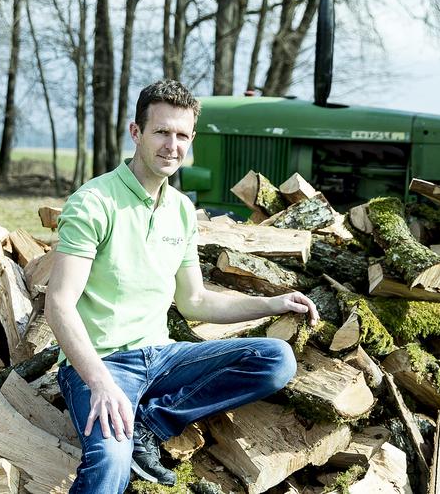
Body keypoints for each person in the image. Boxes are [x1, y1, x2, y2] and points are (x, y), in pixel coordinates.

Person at [45, 80, 319, 493]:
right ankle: (127, 436)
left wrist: (273, 302)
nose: (172, 145)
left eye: (182, 135)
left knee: (276, 359)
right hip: (103, 365)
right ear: (136, 133)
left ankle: (150, 426)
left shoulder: (181, 210)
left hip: (162, 358)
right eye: (161, 132)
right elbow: (59, 305)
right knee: (111, 461)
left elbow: (195, 301)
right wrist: (100, 383)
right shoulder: (94, 203)